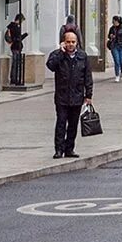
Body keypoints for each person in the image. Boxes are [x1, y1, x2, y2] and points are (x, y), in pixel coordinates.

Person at [46, 31, 92, 159]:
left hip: (77, 96)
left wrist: (88, 95)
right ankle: (59, 149)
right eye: (68, 42)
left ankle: (69, 148)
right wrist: (61, 53)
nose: (70, 44)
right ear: (63, 42)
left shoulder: (83, 56)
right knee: (61, 122)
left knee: (73, 124)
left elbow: (87, 77)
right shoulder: (57, 55)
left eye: (73, 42)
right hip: (62, 96)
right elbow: (51, 66)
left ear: (77, 43)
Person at [4, 13, 27, 87]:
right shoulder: (15, 27)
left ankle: (14, 78)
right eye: (22, 21)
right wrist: (25, 35)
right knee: (16, 64)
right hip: (16, 47)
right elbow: (17, 38)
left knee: (15, 63)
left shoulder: (12, 26)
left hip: (15, 47)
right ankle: (14, 79)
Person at [106, 16, 122, 83]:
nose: (113, 22)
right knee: (116, 61)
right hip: (114, 46)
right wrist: (111, 36)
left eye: (114, 21)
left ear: (118, 21)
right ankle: (117, 75)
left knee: (121, 61)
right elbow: (109, 36)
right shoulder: (112, 28)